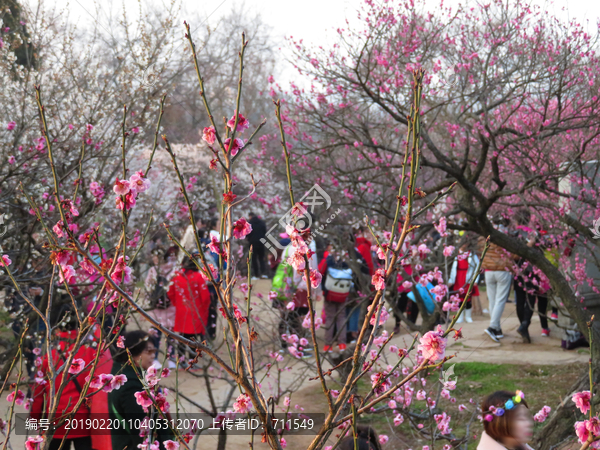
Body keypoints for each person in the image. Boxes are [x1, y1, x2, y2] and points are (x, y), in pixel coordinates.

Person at [31, 304, 113, 450]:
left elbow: (37, 395)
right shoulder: (92, 353)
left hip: (54, 421)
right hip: (83, 422)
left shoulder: (48, 357)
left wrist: (35, 421)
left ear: (55, 326)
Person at [108, 330, 173, 450]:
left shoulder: (131, 376)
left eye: (154, 351)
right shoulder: (131, 387)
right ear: (133, 353)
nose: (153, 356)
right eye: (148, 351)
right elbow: (141, 432)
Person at [166, 255, 211, 366]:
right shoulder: (198, 277)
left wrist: (178, 303)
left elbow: (170, 293)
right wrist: (204, 309)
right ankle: (192, 361)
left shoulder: (176, 277)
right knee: (193, 338)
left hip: (181, 311)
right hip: (196, 312)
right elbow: (205, 297)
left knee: (181, 337)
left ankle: (181, 361)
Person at [478, 217, 515, 343]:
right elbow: (513, 253)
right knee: (500, 300)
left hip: (488, 270)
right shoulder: (506, 236)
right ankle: (493, 327)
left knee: (492, 300)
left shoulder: (486, 234)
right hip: (502, 270)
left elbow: (480, 247)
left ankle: (497, 329)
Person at [144, 247, 178, 367]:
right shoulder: (173, 270)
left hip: (157, 307)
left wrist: (150, 298)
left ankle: (155, 359)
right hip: (171, 306)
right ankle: (171, 359)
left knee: (156, 335)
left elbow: (148, 286)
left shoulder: (153, 270)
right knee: (171, 335)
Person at [319, 247, 354, 352]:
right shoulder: (346, 259)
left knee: (330, 318)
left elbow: (320, 271)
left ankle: (328, 345)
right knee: (341, 317)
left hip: (329, 292)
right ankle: (342, 343)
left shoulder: (328, 259)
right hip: (343, 293)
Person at [448, 243, 480, 323]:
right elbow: (453, 268)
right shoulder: (456, 254)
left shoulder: (472, 255)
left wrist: (475, 279)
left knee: (468, 298)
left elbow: (477, 266)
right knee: (458, 298)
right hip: (458, 277)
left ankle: (468, 316)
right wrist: (451, 280)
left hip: (468, 278)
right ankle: (460, 317)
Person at [247, 212, 268, 280]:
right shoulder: (262, 222)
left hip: (252, 243)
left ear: (250, 216)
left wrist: (249, 239)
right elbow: (265, 232)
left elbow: (247, 233)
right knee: (261, 258)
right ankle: (263, 273)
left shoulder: (249, 223)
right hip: (261, 242)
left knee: (253, 259)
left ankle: (255, 275)